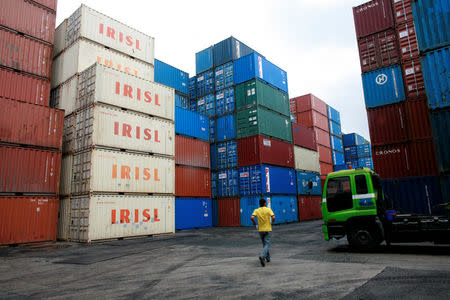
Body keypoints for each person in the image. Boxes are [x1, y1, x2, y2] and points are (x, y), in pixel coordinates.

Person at [251, 198, 275, 267]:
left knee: (264, 244)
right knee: (267, 244)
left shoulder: (256, 210)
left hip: (260, 230)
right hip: (268, 229)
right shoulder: (268, 209)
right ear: (265, 203)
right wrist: (273, 221)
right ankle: (262, 256)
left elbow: (252, 217)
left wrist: (254, 223)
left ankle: (268, 258)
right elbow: (273, 217)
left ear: (259, 204)